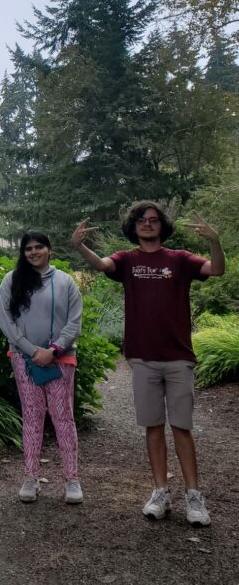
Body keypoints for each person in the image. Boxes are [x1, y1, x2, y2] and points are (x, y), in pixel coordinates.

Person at [72, 204, 224, 526]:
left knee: (181, 427)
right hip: (143, 360)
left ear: (162, 226)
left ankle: (194, 497)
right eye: (142, 220)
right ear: (134, 226)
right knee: (153, 427)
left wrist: (215, 241)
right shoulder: (127, 260)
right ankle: (161, 492)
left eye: (154, 220)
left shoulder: (180, 260)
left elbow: (216, 270)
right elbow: (101, 264)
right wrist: (80, 245)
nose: (148, 224)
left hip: (178, 358)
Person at [0, 230, 84, 505]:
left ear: (49, 249)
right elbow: (6, 321)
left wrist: (54, 350)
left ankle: (72, 480)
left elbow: (74, 321)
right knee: (32, 417)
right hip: (25, 360)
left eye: (39, 247)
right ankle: (30, 477)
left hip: (60, 360)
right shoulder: (12, 281)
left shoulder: (65, 282)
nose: (33, 252)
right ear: (23, 253)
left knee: (63, 418)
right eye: (28, 249)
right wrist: (31, 350)